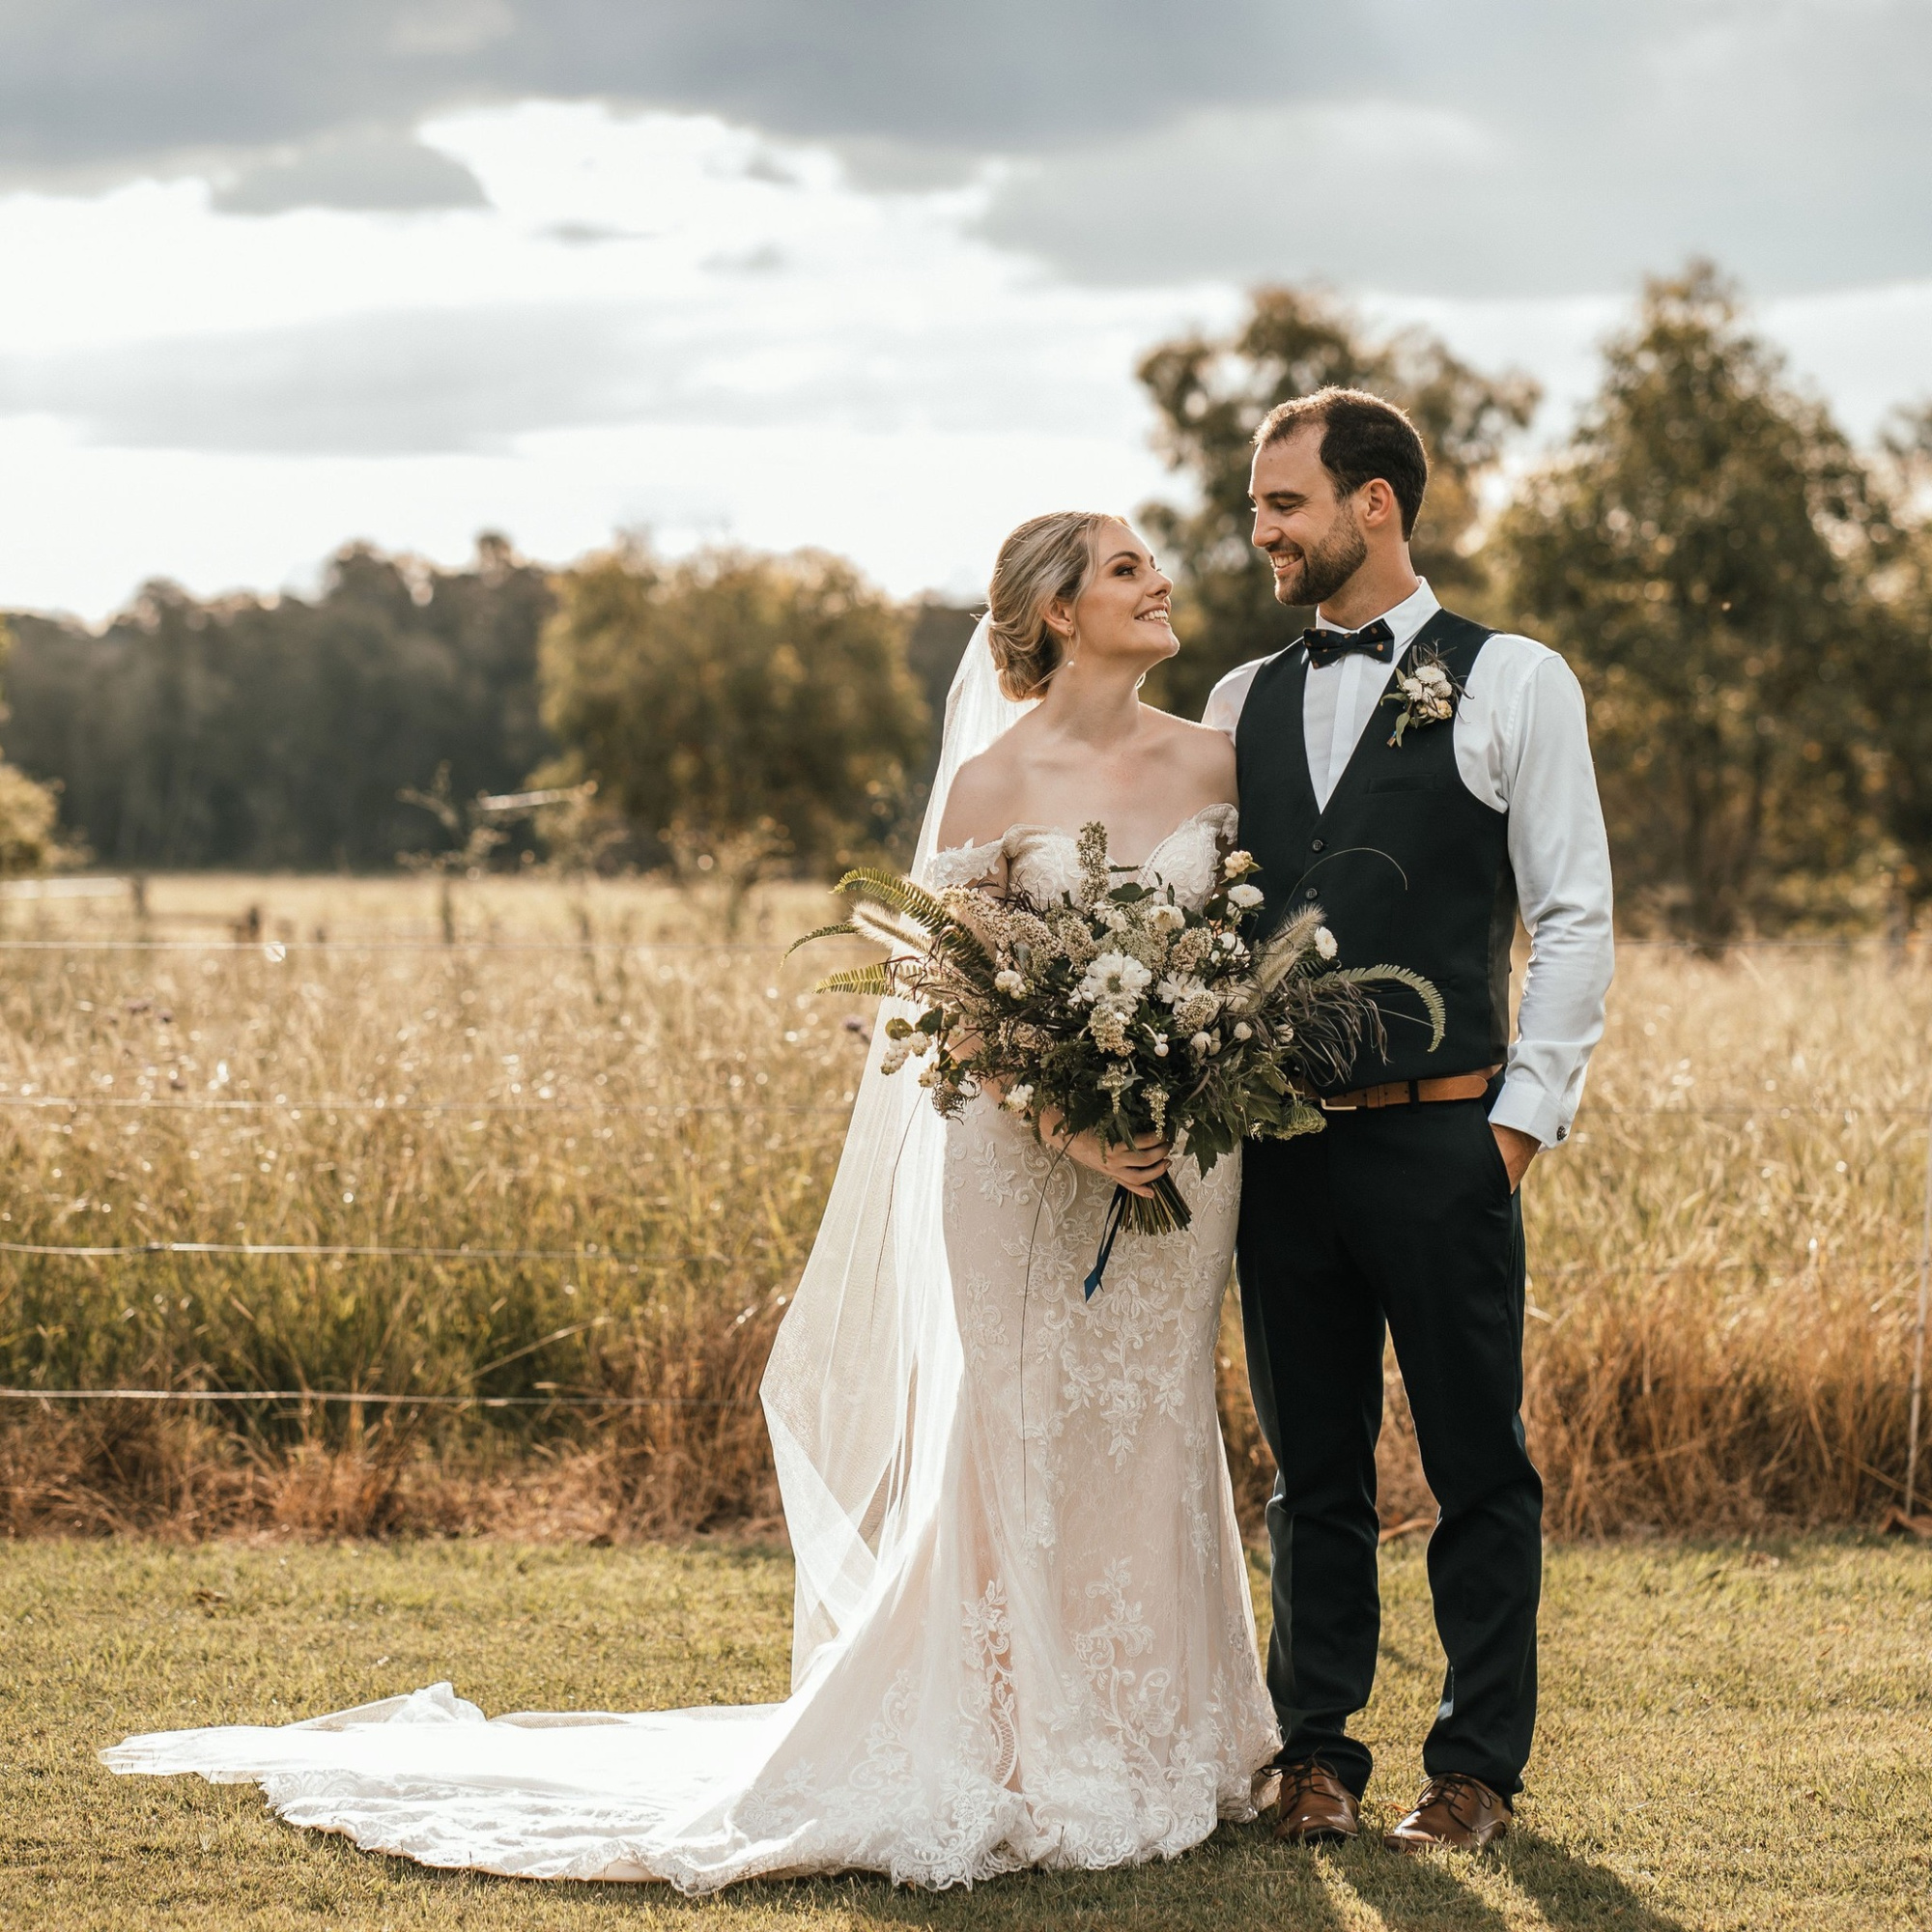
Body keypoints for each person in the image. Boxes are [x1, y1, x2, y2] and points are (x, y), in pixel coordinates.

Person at [101, 511, 1281, 1889]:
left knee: (1149, 1422)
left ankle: (1168, 1734)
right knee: (1018, 1429)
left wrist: (1183, 1078)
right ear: (1060, 611)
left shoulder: (1218, 759)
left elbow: (1243, 960)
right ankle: (1028, 1742)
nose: (1161, 586)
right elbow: (957, 1009)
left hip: (1187, 1172)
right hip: (1025, 1173)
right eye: (1129, 570)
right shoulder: (988, 784)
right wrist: (1075, 1127)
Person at [1204, 387, 1614, 1853]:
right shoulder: (1238, 703)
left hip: (1448, 1140)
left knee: (1474, 1464)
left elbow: (1574, 915)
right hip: (1284, 1156)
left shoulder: (1516, 680)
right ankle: (1316, 1756)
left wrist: (1517, 1126)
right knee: (1310, 1470)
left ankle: (1476, 1772)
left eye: (1284, 504)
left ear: (1373, 504)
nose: (1262, 530)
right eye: (1259, 505)